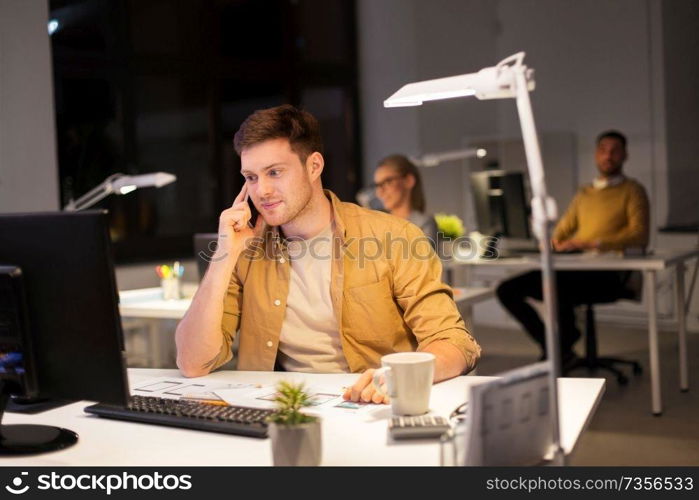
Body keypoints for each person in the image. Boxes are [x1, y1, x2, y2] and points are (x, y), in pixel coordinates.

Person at [175, 105, 481, 404]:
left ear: (314, 166)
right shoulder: (246, 249)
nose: (262, 190)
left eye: (274, 172)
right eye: (252, 177)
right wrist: (224, 256)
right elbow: (193, 363)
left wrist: (401, 377)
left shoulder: (395, 237)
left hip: (371, 406)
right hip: (283, 409)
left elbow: (456, 343)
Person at [496, 130, 649, 364]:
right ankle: (557, 347)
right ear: (596, 155)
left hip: (610, 275)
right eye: (603, 150)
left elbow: (639, 234)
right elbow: (562, 230)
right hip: (577, 267)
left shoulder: (633, 190)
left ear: (625, 155)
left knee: (557, 284)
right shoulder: (585, 193)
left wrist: (592, 243)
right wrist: (553, 240)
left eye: (614, 150)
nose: (608, 156)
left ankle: (564, 343)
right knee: (508, 289)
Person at [373, 155, 439, 245]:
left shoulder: (423, 224)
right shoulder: (377, 223)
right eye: (378, 185)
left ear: (408, 181)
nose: (380, 192)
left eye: (387, 182)